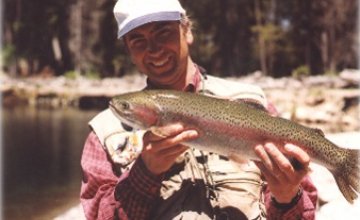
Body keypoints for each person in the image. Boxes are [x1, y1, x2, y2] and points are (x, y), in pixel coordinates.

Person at [80, 0, 318, 219]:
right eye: (138, 40)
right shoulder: (104, 133)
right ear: (129, 50)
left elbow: (305, 209)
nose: (153, 48)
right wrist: (145, 173)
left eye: (164, 32)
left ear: (187, 31)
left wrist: (287, 197)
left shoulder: (253, 103)